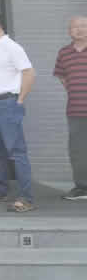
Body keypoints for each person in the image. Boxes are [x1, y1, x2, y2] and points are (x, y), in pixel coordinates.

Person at [0, 12, 36, 212]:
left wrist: (20, 100)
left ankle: (26, 198)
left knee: (16, 151)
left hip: (6, 103)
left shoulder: (12, 47)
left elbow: (29, 73)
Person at [53, 16, 87, 201]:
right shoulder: (64, 53)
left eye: (83, 26)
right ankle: (82, 187)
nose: (79, 29)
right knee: (78, 151)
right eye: (75, 27)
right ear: (69, 31)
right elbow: (62, 77)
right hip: (76, 110)